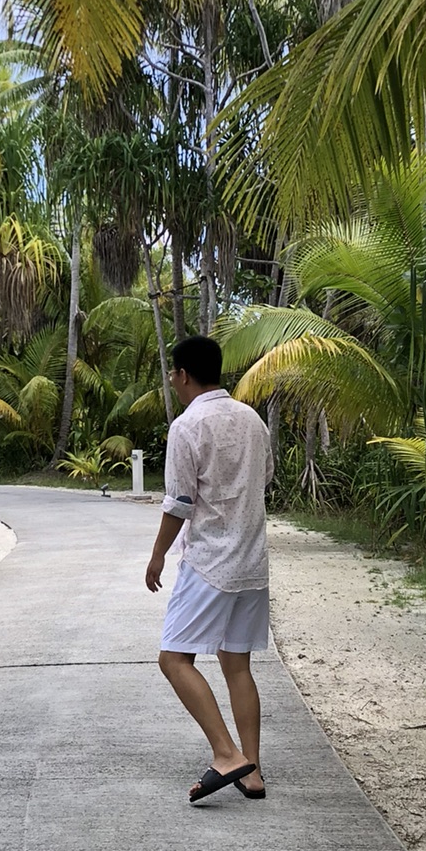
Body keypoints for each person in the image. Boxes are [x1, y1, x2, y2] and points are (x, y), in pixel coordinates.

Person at [145, 334, 274, 804]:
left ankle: (226, 754)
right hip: (252, 563)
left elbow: (179, 502)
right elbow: (265, 478)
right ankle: (252, 772)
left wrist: (158, 554)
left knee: (173, 659)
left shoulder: (188, 424)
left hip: (209, 563)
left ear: (181, 374)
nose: (173, 383)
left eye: (172, 375)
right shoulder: (252, 419)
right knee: (236, 664)